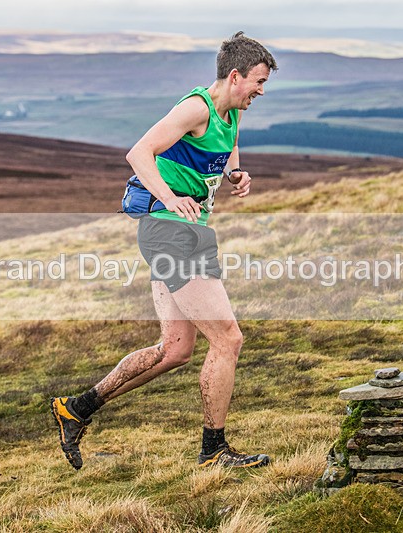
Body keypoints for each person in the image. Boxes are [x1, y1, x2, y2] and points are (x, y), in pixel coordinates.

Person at [51, 31, 277, 470]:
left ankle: (76, 409)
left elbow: (226, 147)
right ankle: (214, 452)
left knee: (174, 350)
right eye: (258, 81)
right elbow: (139, 153)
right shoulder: (196, 107)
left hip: (185, 232)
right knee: (228, 339)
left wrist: (236, 174)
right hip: (169, 231)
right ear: (235, 76)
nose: (261, 91)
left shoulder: (230, 113)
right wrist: (169, 197)